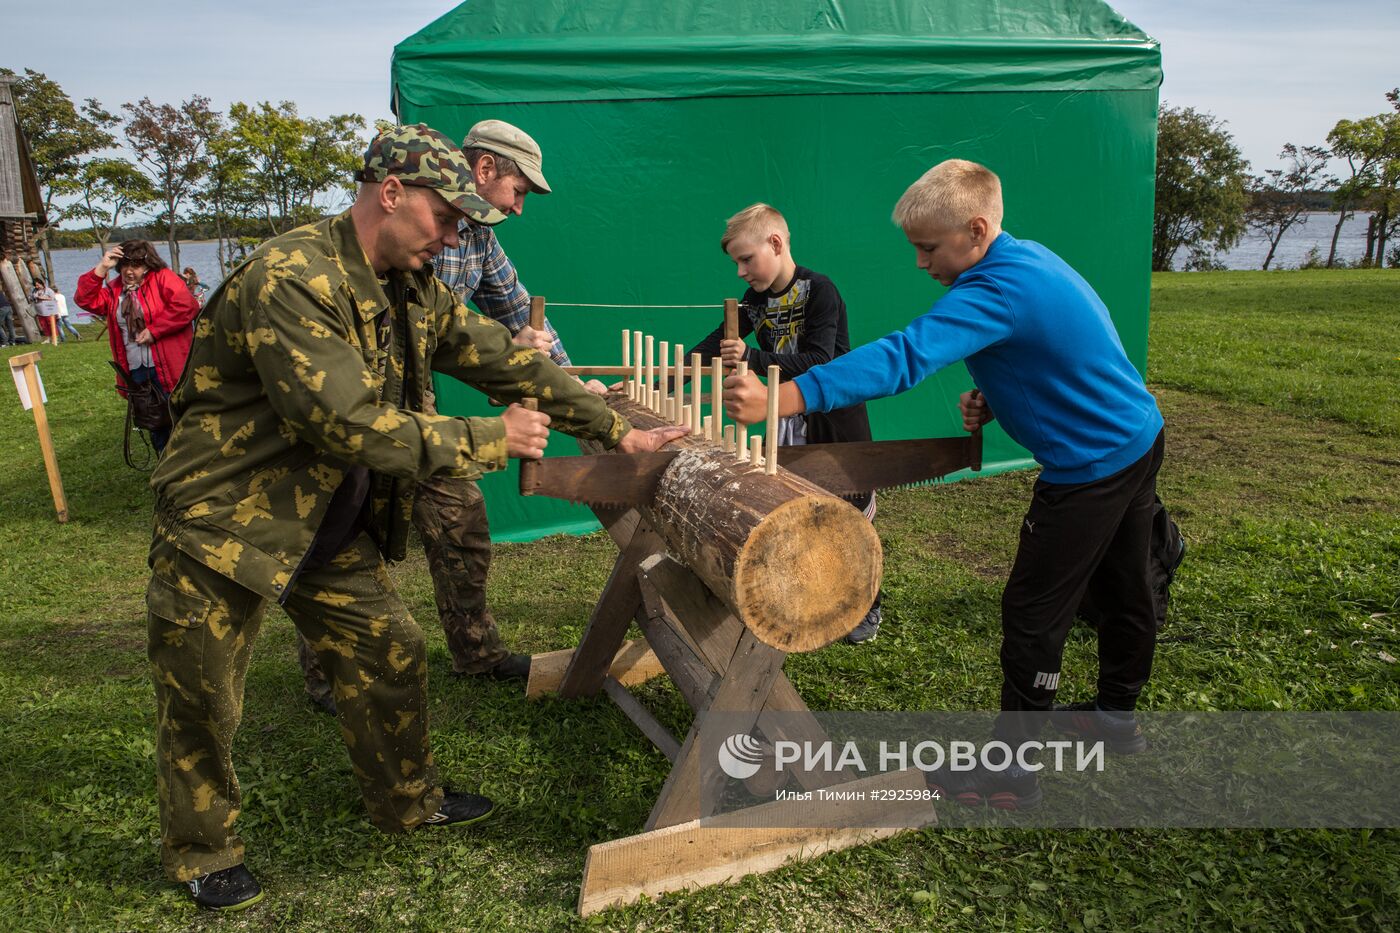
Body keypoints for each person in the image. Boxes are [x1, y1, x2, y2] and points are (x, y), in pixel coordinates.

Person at [143, 123, 685, 910]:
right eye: (448, 217)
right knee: (201, 692)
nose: (457, 235)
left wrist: (615, 428)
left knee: (390, 651)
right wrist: (491, 438)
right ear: (390, 193)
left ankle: (408, 799)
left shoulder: (410, 284)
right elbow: (341, 421)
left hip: (322, 524)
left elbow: (505, 355)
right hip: (223, 526)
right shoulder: (292, 277)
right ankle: (202, 849)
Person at [723, 160, 1166, 809]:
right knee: (1128, 582)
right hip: (1139, 435)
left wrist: (784, 397)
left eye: (928, 248)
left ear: (977, 230)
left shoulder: (992, 290)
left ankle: (1010, 774)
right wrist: (1001, 388)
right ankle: (1115, 720)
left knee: (1033, 611)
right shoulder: (1029, 261)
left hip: (1091, 467)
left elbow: (904, 356)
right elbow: (1074, 340)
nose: (920, 263)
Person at [296, 118, 602, 711]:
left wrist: (570, 383)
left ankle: (476, 651)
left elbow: (516, 322)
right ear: (485, 170)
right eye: (518, 191)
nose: (517, 209)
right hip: (353, 413)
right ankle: (326, 675)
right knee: (339, 536)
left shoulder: (478, 242)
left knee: (461, 518)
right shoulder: (364, 245)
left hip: (419, 410)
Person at [690, 203, 883, 643]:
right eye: (736, 262)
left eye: (746, 259)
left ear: (775, 244)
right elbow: (719, 343)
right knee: (803, 510)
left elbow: (823, 360)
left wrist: (753, 358)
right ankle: (818, 595)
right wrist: (672, 372)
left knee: (852, 520)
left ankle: (868, 605)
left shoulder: (819, 290)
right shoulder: (757, 302)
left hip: (836, 422)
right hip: (789, 418)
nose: (741, 272)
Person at [73, 241, 200, 453]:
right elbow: (85, 300)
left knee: (180, 416)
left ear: (148, 265)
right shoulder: (115, 290)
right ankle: (165, 467)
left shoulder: (164, 278)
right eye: (124, 265)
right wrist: (102, 267)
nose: (129, 271)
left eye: (136, 265)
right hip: (136, 367)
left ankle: (192, 463)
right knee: (154, 420)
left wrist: (155, 330)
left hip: (171, 365)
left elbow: (187, 306)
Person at [30, 278, 59, 342]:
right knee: (44, 325)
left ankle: (55, 338)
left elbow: (52, 298)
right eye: (35, 285)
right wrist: (33, 298)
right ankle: (48, 338)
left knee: (51, 324)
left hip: (49, 311)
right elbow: (31, 298)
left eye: (38, 285)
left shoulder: (48, 290)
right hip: (40, 311)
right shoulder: (34, 291)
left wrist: (42, 298)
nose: (37, 287)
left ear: (41, 283)